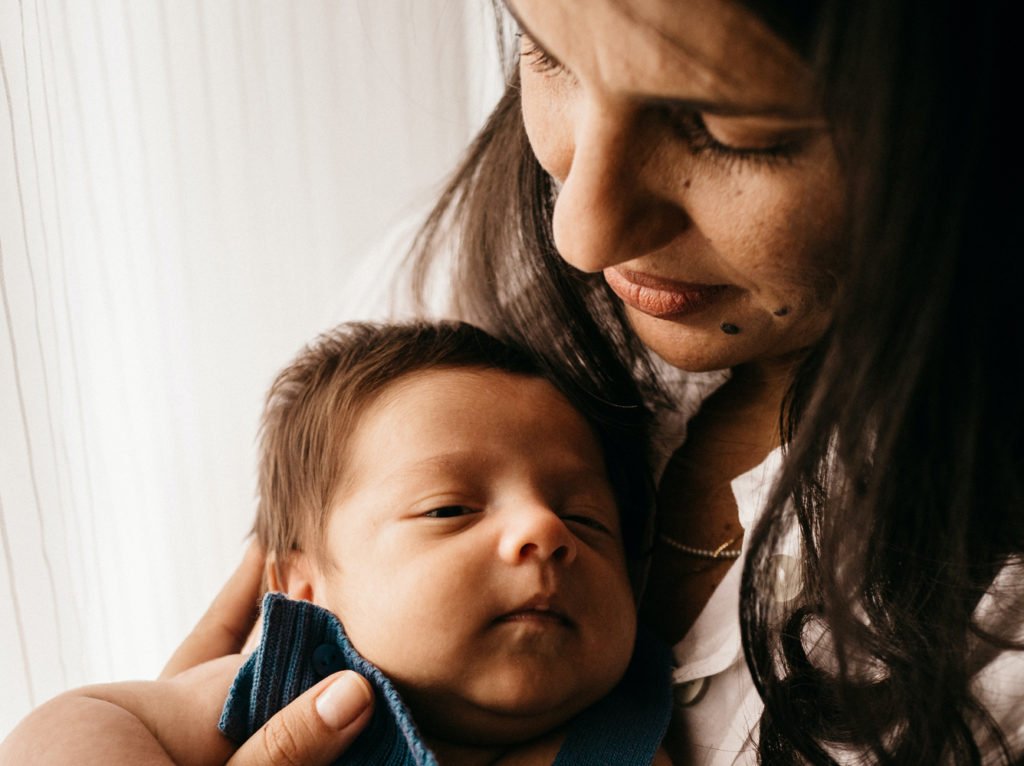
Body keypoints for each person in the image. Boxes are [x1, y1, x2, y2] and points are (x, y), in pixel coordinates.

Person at [2, 0, 1019, 764]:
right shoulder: (301, 671)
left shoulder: (629, 722)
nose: (576, 229)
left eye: (729, 129)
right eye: (548, 51)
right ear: (299, 584)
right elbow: (89, 719)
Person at [1, 321, 673, 766]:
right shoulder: (288, 686)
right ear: (303, 587)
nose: (544, 531)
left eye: (586, 520)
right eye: (449, 508)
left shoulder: (632, 734)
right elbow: (70, 724)